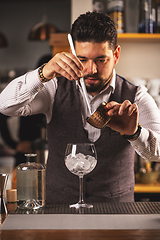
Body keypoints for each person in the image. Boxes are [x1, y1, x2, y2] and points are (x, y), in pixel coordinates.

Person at [0, 11, 160, 204]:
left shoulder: (136, 96)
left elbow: (157, 154)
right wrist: (43, 73)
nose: (91, 69)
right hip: (59, 210)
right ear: (73, 53)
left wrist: (135, 133)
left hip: (117, 213)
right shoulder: (54, 88)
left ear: (116, 54)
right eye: (83, 59)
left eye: (101, 60)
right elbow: (5, 106)